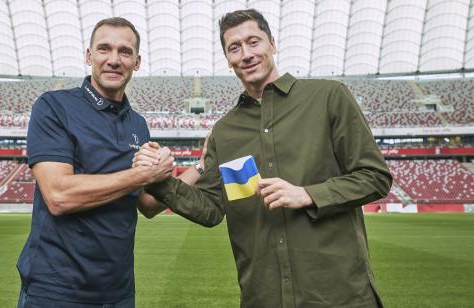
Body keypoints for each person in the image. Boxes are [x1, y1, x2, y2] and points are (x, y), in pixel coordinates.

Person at [139, 9, 393, 308]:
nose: (246, 54)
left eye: (253, 42)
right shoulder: (225, 131)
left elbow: (374, 177)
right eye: (235, 47)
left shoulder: (328, 97)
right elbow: (210, 209)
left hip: (338, 293)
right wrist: (158, 179)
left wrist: (307, 194)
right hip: (264, 295)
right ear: (227, 57)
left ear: (272, 43)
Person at [16, 17, 179, 308]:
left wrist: (203, 166)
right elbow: (59, 195)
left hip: (118, 292)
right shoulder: (54, 106)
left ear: (137, 62)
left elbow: (148, 205)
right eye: (104, 49)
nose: (114, 60)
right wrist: (142, 174)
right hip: (56, 291)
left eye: (125, 52)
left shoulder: (138, 124)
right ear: (89, 56)